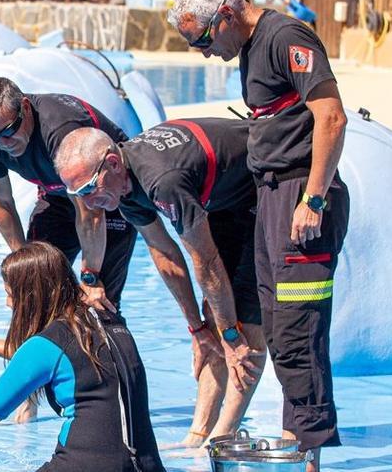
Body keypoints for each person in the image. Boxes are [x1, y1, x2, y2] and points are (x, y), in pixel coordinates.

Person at [168, 0, 350, 469]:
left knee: (296, 330)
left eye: (203, 40)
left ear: (225, 15)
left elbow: (331, 117)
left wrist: (311, 199)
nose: (205, 54)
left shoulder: (286, 36)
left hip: (300, 195)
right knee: (272, 324)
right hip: (271, 199)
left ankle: (307, 454)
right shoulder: (250, 50)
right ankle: (295, 447)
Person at [53, 119, 266, 447]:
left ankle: (224, 435)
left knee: (243, 322)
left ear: (112, 163)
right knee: (214, 319)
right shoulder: (123, 189)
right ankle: (197, 434)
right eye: (76, 195)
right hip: (226, 198)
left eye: (88, 190)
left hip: (268, 187)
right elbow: (166, 254)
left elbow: (205, 263)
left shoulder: (162, 181)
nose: (87, 203)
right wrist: (197, 328)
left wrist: (231, 336)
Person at [0, 241, 166, 472]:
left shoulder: (48, 345)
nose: (8, 304)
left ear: (31, 296)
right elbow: (65, 361)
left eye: (10, 295)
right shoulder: (111, 323)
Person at [0, 77, 137, 312]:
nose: (3, 143)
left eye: (8, 131)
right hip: (57, 197)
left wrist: (90, 276)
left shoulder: (60, 129)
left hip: (108, 196)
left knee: (100, 301)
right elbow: (2, 203)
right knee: (34, 294)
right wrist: (23, 267)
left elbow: (91, 212)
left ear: (25, 108)